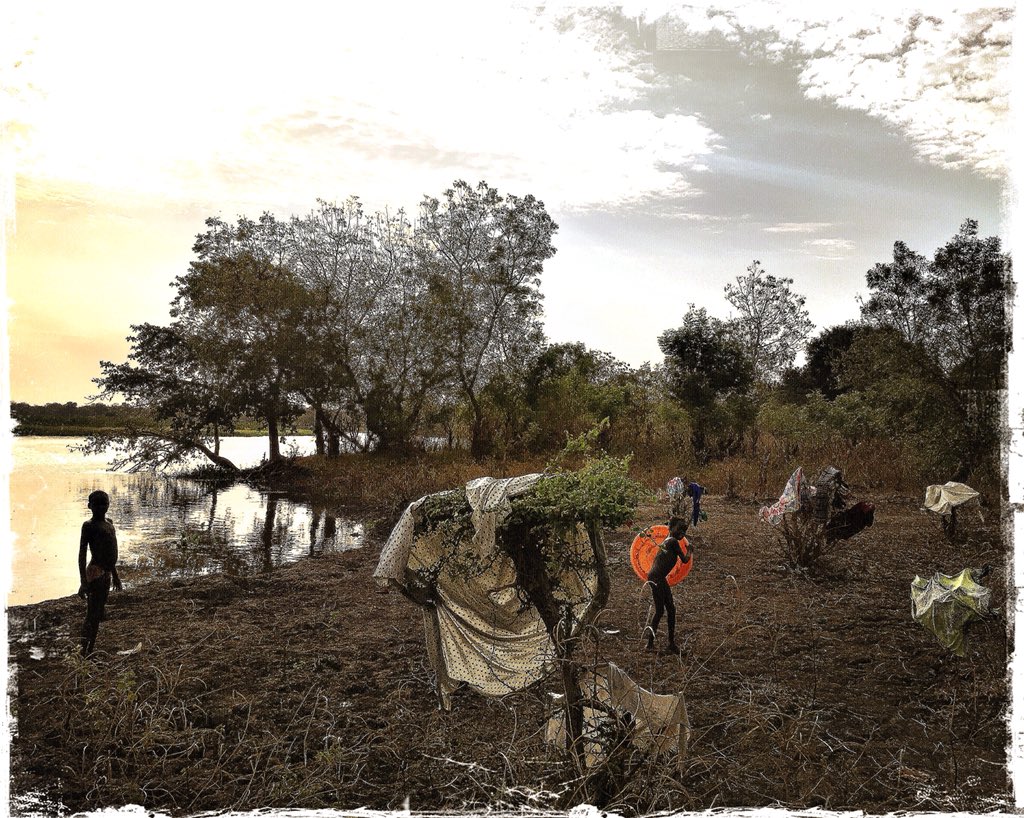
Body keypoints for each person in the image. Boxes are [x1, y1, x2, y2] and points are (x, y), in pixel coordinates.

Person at [78, 490, 122, 656]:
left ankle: (89, 650)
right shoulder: (89, 526)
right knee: (92, 615)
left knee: (98, 614)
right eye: (97, 504)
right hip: (95, 572)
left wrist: (116, 576)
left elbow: (110, 554)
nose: (101, 507)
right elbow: (82, 554)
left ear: (109, 505)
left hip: (106, 573)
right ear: (90, 506)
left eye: (104, 503)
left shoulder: (109, 523)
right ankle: (83, 652)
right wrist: (83, 581)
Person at [643, 517, 692, 654]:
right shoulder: (673, 542)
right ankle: (652, 644)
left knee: (669, 609)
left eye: (684, 530)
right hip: (657, 578)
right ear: (670, 529)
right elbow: (685, 559)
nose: (682, 532)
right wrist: (690, 550)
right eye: (679, 528)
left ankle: (666, 643)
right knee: (662, 610)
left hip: (657, 577)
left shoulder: (667, 540)